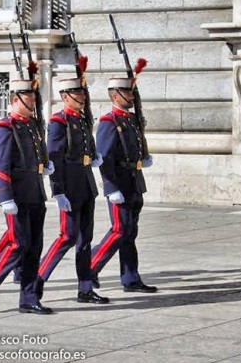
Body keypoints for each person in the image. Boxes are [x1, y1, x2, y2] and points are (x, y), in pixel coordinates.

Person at [0, 79, 54, 314]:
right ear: (14, 100)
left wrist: (45, 165)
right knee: (18, 243)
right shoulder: (5, 126)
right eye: (27, 98)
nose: (32, 102)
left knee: (34, 247)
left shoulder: (32, 125)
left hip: (35, 192)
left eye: (33, 97)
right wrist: (5, 196)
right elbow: (0, 164)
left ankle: (29, 298)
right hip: (17, 194)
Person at [35, 78, 109, 304]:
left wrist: (94, 157)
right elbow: (54, 157)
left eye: (83, 92)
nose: (83, 96)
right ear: (65, 96)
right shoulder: (59, 122)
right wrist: (58, 192)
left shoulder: (82, 119)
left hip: (86, 186)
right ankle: (36, 279)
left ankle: (85, 289)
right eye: (77, 93)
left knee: (85, 240)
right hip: (69, 189)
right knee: (67, 237)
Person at [90, 77, 157, 293]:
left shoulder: (130, 120)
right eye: (127, 93)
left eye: (132, 93)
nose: (131, 97)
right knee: (119, 231)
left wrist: (143, 158)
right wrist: (110, 188)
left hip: (134, 182)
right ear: (115, 95)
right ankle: (89, 267)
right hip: (119, 184)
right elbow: (104, 158)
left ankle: (130, 278)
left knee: (129, 233)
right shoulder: (109, 122)